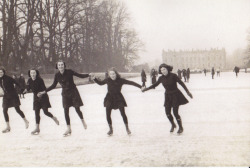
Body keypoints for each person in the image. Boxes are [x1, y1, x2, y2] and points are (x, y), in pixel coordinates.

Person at [38, 60, 90, 137]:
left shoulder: (69, 71)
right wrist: (44, 92)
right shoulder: (57, 75)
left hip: (73, 92)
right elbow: (53, 85)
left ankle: (83, 121)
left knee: (77, 109)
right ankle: (69, 128)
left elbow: (80, 75)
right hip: (65, 94)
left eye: (62, 65)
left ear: (64, 65)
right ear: (57, 66)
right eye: (59, 65)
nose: (61, 66)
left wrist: (89, 75)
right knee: (66, 111)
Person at [142, 64, 193, 134]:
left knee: (175, 113)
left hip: (175, 95)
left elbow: (181, 83)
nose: (163, 71)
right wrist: (146, 89)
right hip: (167, 96)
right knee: (167, 113)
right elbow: (155, 85)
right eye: (161, 70)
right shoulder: (161, 78)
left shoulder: (173, 76)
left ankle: (180, 127)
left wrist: (187, 92)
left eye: (164, 69)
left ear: (168, 69)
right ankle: (173, 125)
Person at [91, 67, 142, 136]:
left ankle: (127, 128)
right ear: (109, 75)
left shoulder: (120, 80)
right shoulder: (108, 80)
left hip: (118, 98)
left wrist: (140, 86)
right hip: (109, 98)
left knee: (123, 113)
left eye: (113, 74)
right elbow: (100, 83)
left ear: (116, 74)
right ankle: (111, 129)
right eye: (111, 74)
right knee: (108, 114)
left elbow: (131, 83)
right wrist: (94, 78)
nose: (112, 75)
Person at [24, 69, 59, 135]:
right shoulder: (29, 80)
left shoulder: (40, 80)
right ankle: (37, 128)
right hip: (36, 98)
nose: (33, 74)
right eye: (31, 73)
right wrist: (25, 90)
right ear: (29, 74)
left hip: (43, 97)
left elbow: (44, 89)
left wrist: (41, 93)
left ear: (36, 73)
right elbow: (28, 88)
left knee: (45, 112)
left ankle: (53, 118)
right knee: (36, 112)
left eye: (34, 73)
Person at [0, 67, 29, 133]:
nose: (0, 73)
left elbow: (17, 83)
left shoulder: (9, 78)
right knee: (4, 110)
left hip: (13, 95)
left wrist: (22, 89)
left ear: (4, 72)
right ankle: (8, 127)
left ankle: (26, 121)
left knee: (17, 110)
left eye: (1, 72)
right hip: (6, 96)